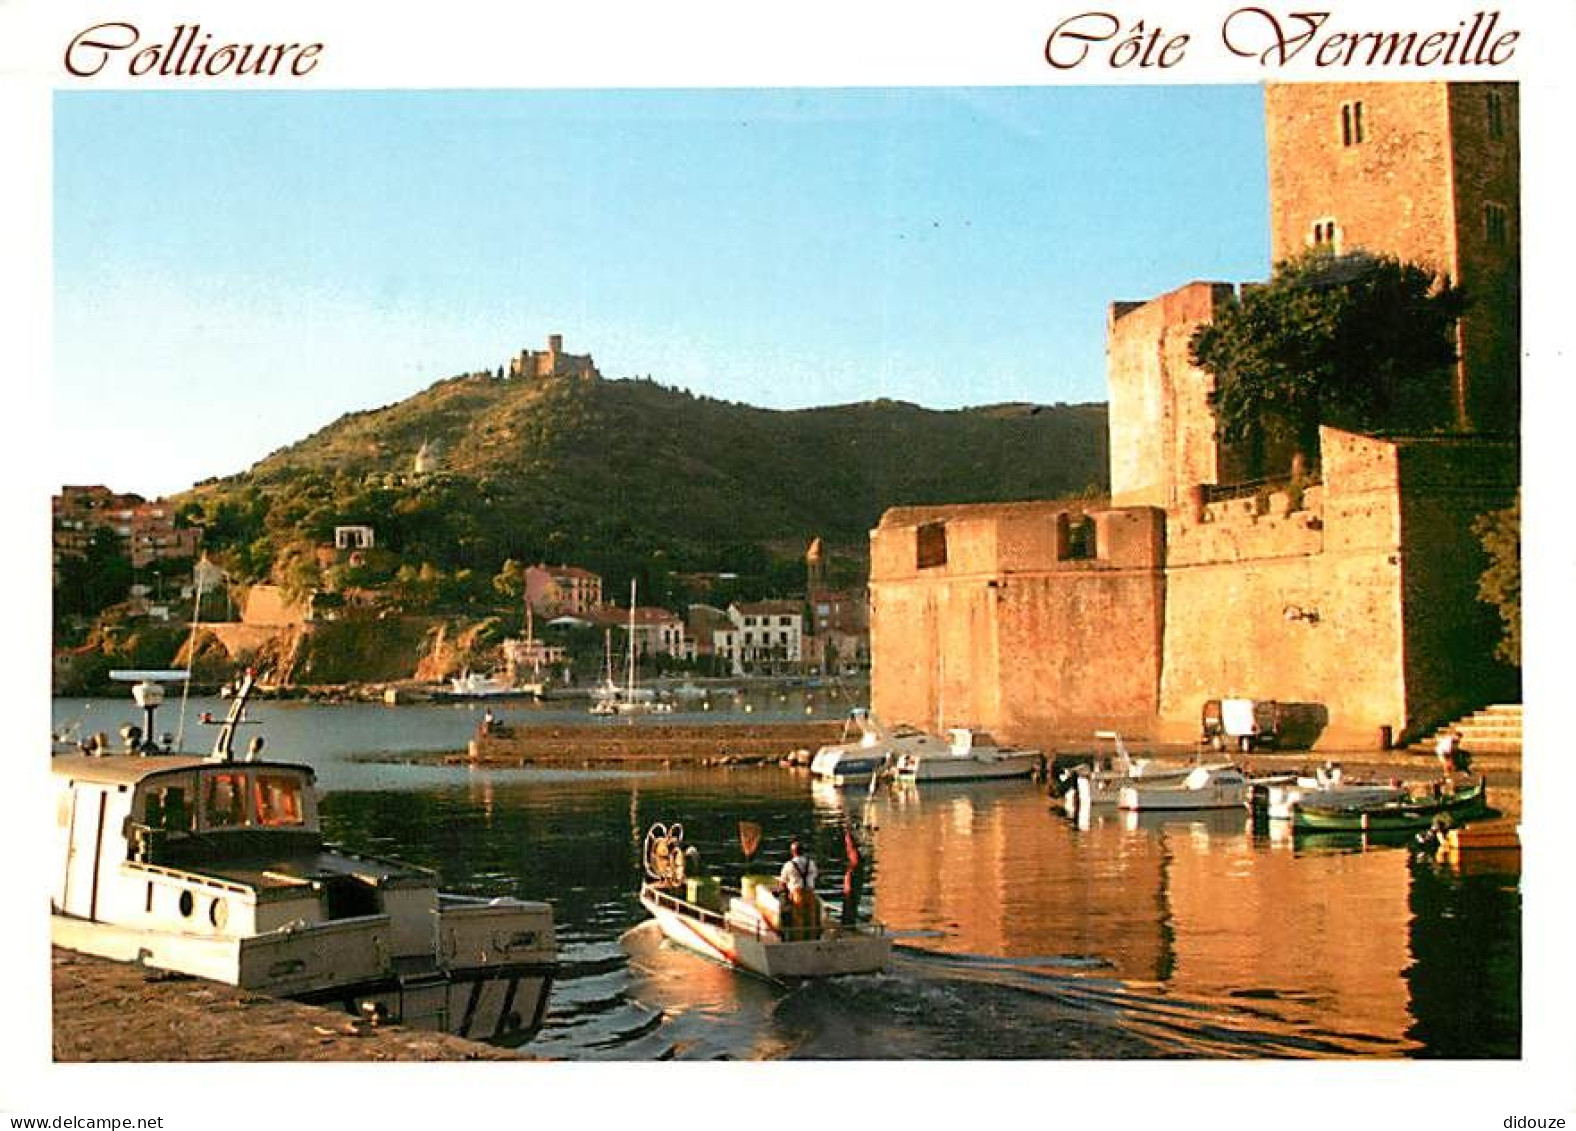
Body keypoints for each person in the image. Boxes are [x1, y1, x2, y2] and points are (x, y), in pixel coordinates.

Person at [776, 839, 820, 940]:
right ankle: (812, 938)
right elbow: (815, 876)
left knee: (798, 918)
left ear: (793, 852)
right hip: (810, 892)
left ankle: (798, 938)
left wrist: (783, 894)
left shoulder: (789, 865)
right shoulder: (811, 863)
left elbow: (783, 882)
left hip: (797, 893)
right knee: (811, 916)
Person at [840, 824, 867, 929]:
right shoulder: (855, 857)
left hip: (852, 890)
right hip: (852, 889)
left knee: (850, 909)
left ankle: (849, 926)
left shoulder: (855, 856)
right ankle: (849, 925)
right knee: (849, 910)